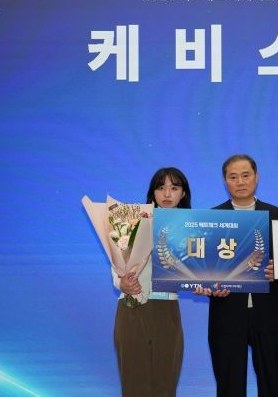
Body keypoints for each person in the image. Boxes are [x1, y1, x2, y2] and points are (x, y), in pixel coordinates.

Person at [196, 154, 278, 397]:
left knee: (272, 385)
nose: (240, 182)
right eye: (233, 177)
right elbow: (205, 267)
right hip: (226, 314)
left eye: (245, 175)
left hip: (269, 314)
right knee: (229, 387)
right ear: (225, 181)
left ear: (256, 177)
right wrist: (206, 284)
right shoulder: (212, 218)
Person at [111, 167, 191, 397]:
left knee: (165, 386)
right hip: (132, 306)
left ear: (183, 194)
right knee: (133, 385)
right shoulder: (132, 221)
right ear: (152, 192)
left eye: (174, 188)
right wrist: (121, 283)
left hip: (167, 308)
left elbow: (202, 269)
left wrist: (208, 285)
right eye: (161, 187)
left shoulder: (193, 228)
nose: (167, 194)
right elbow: (116, 263)